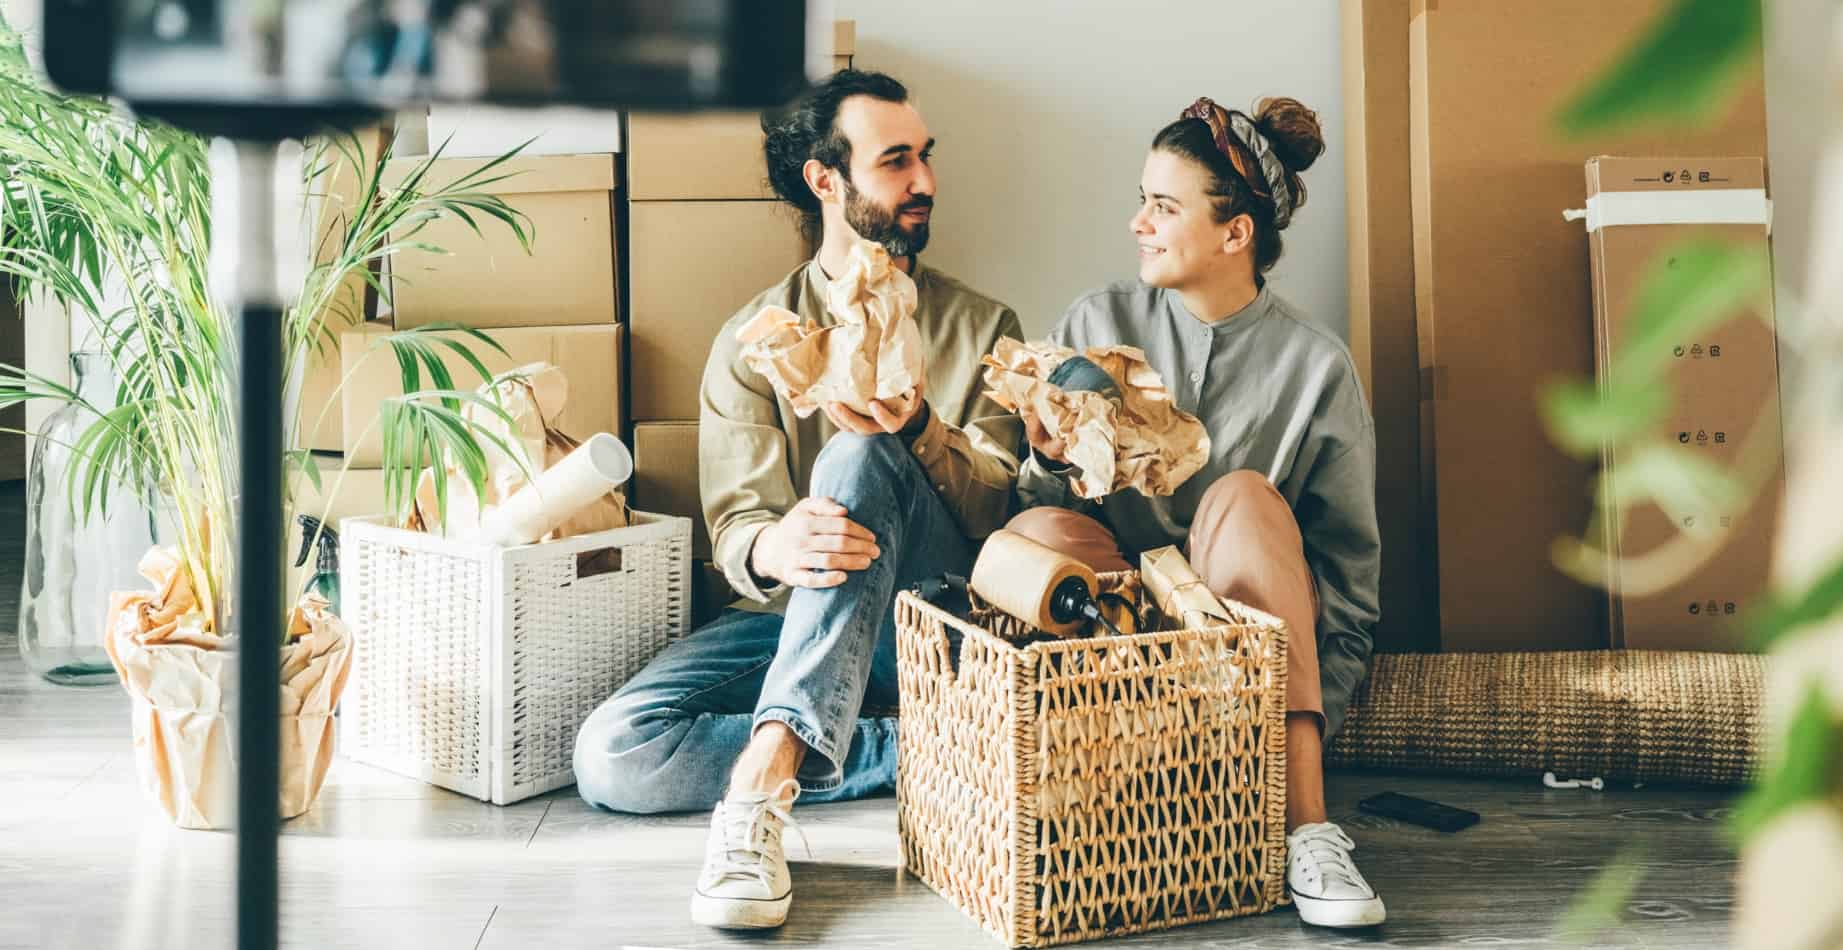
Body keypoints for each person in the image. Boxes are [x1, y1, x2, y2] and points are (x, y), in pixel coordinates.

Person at [572, 68, 1025, 930]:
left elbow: (1000, 511)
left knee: (862, 449)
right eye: (895, 161)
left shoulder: (984, 328)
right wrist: (776, 545)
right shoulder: (756, 341)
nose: (925, 180)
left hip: (929, 625)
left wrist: (917, 428)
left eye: (925, 156)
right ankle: (937, 749)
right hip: (794, 624)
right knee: (614, 753)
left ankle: (764, 779)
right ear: (826, 180)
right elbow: (737, 525)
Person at [1004, 96, 1386, 930]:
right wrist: (1049, 458)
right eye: (1142, 199)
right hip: (1116, 634)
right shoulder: (1094, 324)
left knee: (1243, 495)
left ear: (1234, 233)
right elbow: (1030, 519)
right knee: (1031, 536)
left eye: (1163, 206)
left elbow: (1350, 581)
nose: (1137, 223)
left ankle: (1307, 827)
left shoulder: (1316, 366)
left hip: (1245, 649)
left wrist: (1309, 713)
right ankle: (1100, 788)